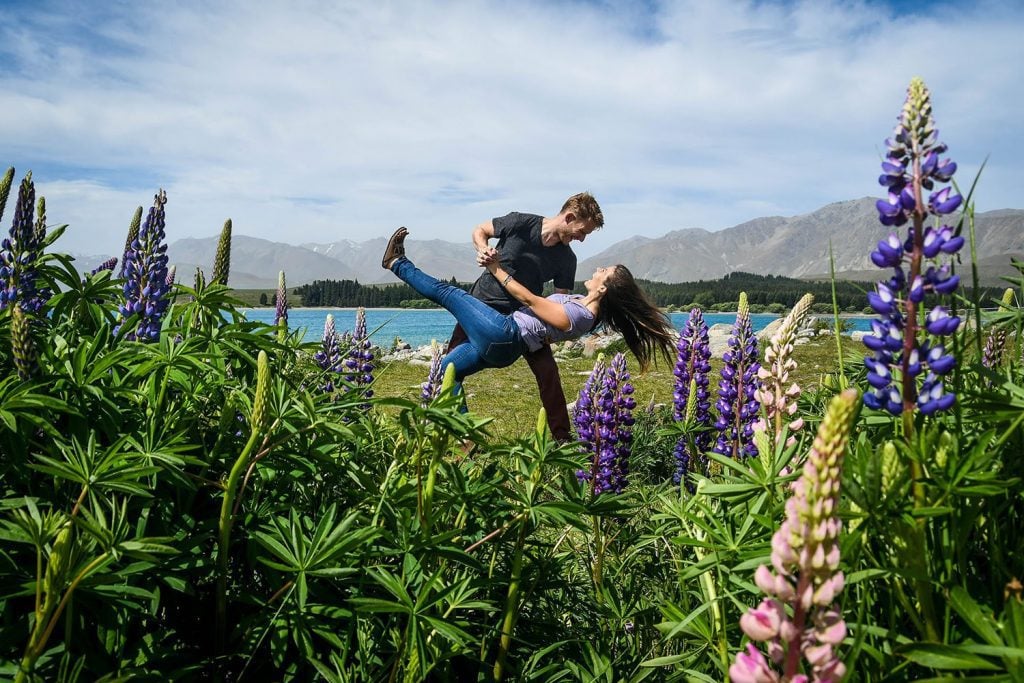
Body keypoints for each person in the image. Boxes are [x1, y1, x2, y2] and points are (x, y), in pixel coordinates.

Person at [382, 228, 675, 404]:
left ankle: (396, 262)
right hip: (505, 346)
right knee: (447, 371)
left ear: (604, 288)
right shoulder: (579, 303)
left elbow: (531, 300)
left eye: (604, 272)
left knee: (450, 293)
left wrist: (496, 269)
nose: (598, 269)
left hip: (506, 334)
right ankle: (462, 441)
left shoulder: (582, 316)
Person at [449, 192, 603, 440]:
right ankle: (463, 436)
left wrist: (551, 336)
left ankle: (561, 438)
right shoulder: (520, 222)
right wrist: (483, 249)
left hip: (523, 318)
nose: (582, 239)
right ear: (570, 216)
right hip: (480, 305)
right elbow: (480, 230)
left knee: (548, 374)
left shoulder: (567, 259)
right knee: (448, 369)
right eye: (582, 231)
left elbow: (559, 302)